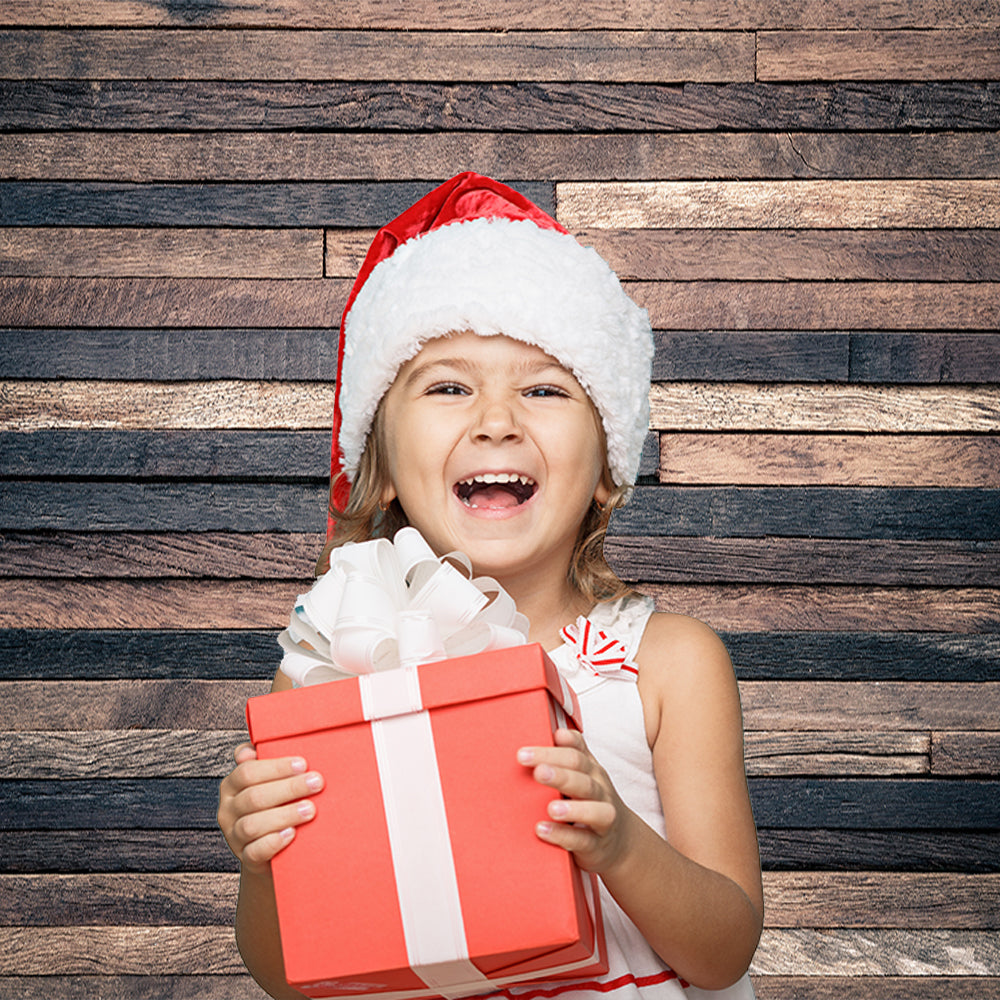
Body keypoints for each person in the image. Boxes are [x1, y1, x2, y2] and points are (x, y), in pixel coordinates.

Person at [217, 173, 763, 1000]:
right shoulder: (331, 665)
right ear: (383, 466)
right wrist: (264, 858)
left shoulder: (665, 663)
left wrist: (619, 846)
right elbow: (290, 979)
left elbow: (723, 953)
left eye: (544, 389)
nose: (497, 419)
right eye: (447, 386)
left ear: (609, 469)